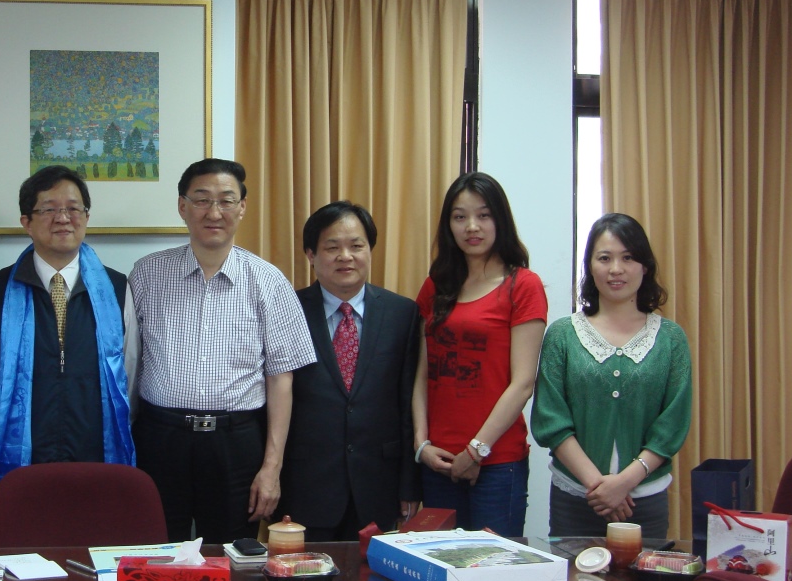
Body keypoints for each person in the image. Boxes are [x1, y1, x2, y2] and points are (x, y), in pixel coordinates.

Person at [131, 158, 316, 543]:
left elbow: (281, 380)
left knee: (231, 557)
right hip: (160, 439)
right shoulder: (147, 273)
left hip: (236, 445)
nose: (214, 212)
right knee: (156, 553)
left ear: (242, 207)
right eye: (201, 200)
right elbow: (128, 362)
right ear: (182, 206)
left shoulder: (268, 281)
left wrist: (271, 468)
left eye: (226, 200)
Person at [0, 165, 138, 522]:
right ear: (26, 222)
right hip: (21, 467)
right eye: (49, 209)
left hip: (98, 460)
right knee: (23, 551)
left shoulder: (117, 289)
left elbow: (129, 380)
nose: (63, 218)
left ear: (86, 217)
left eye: (73, 208)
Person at [531, 213, 692, 539]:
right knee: (573, 574)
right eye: (604, 258)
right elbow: (550, 419)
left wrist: (624, 483)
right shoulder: (562, 335)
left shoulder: (671, 339)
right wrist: (600, 487)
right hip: (574, 500)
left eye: (628, 258)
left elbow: (672, 424)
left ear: (644, 266)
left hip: (644, 501)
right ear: (590, 266)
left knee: (641, 575)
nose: (616, 269)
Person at [413, 171, 546, 536]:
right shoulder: (435, 286)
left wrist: (476, 451)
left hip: (497, 463)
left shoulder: (523, 285)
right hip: (438, 462)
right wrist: (421, 443)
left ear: (500, 219)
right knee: (438, 565)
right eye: (460, 217)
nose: (472, 226)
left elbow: (523, 383)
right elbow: (422, 374)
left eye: (483, 215)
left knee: (493, 565)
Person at [280, 202, 421, 541]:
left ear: (370, 250)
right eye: (332, 247)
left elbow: (408, 406)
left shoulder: (402, 314)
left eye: (356, 245)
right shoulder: (287, 310)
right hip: (306, 486)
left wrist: (409, 484)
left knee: (373, 575)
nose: (346, 256)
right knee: (306, 573)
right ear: (311, 254)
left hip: (379, 485)